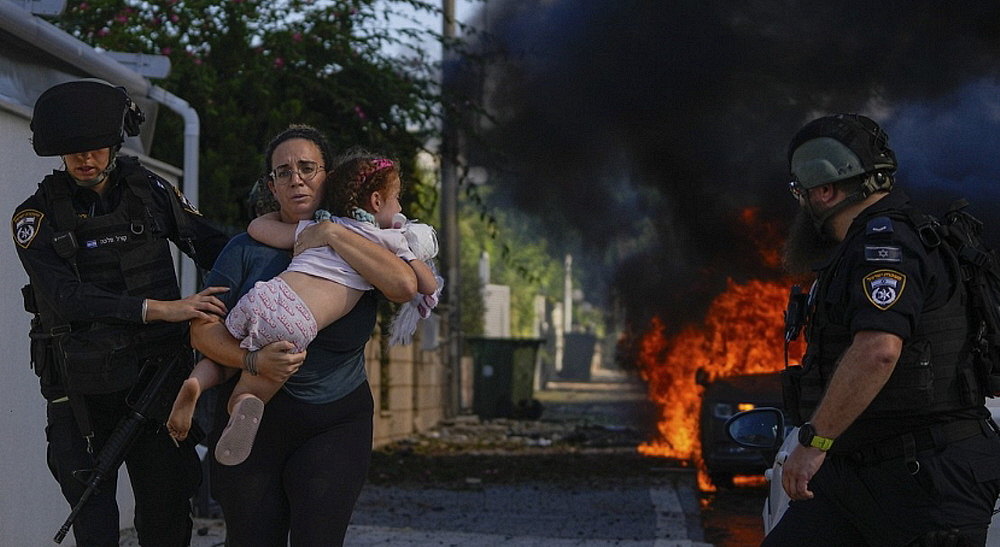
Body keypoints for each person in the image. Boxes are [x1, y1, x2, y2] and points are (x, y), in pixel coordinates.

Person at [11, 79, 230, 546]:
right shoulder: (35, 217)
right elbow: (67, 297)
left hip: (157, 381)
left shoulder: (150, 191)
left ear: (115, 144)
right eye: (73, 151)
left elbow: (213, 246)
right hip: (81, 393)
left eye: (95, 147)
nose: (84, 159)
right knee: (94, 525)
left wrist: (277, 257)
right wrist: (158, 309)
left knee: (166, 517)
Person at [770, 113, 1000, 546]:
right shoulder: (867, 245)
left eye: (801, 190)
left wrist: (815, 442)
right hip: (857, 473)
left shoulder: (885, 246)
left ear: (825, 190)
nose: (800, 203)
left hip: (927, 477)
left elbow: (879, 350)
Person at [189, 125, 419, 546]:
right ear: (272, 186)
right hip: (255, 418)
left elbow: (405, 285)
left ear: (329, 176)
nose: (296, 179)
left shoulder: (361, 241)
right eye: (283, 172)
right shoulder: (244, 249)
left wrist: (330, 233)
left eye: (308, 168)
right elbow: (202, 331)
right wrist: (253, 361)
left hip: (335, 421)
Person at [166, 154, 440, 466]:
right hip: (296, 322)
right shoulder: (388, 242)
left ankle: (196, 383)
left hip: (264, 296)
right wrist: (414, 253)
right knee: (255, 385)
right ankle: (243, 402)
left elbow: (258, 227)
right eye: (397, 199)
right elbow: (425, 285)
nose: (400, 207)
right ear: (377, 201)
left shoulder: (320, 226)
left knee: (225, 355)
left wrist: (295, 221)